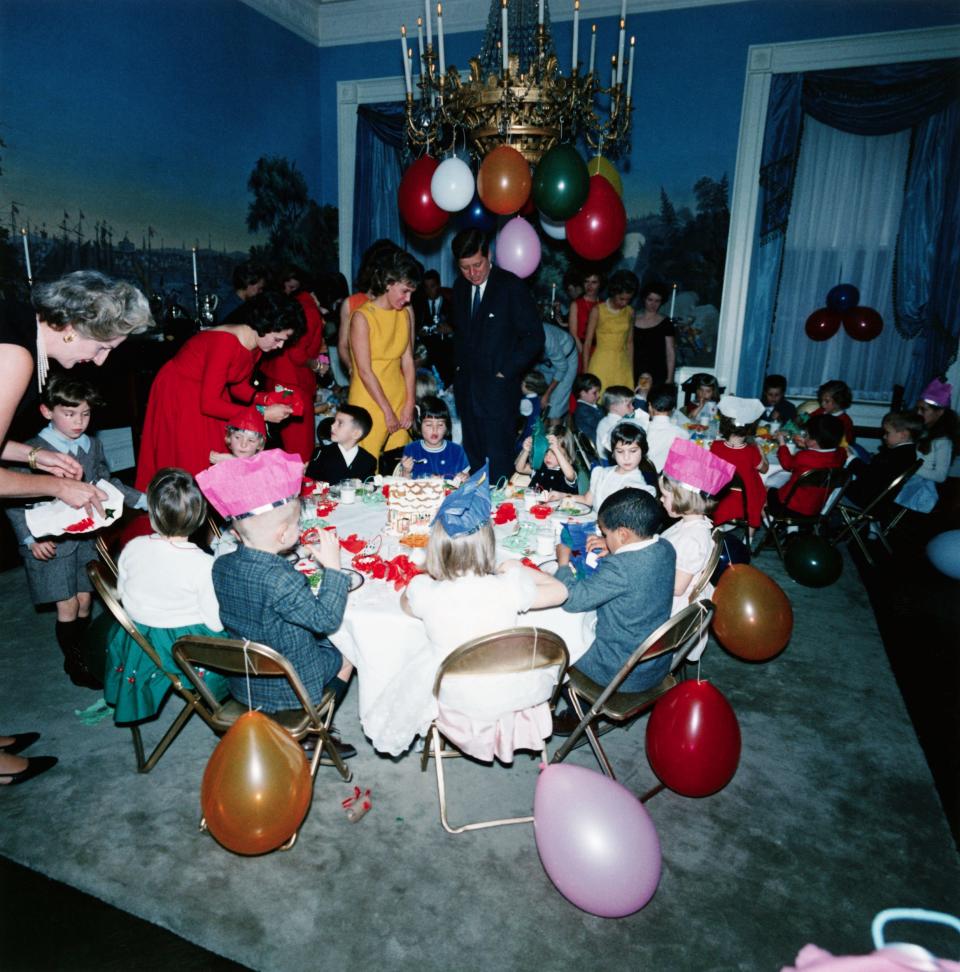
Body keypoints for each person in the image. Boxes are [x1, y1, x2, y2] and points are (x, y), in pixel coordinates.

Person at [0, 269, 153, 785]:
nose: (103, 359)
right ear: (70, 325)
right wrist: (55, 487)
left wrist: (34, 455)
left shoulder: (26, 339)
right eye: (104, 345)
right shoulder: (17, 354)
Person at [362, 466, 567, 756]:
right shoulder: (508, 587)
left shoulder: (425, 591)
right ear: (489, 547)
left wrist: (425, 574)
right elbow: (561, 591)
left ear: (436, 547)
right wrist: (516, 568)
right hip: (511, 687)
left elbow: (405, 606)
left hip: (457, 692)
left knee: (407, 657)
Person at [200, 450, 356, 758]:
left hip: (244, 679)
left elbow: (262, 595)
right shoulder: (281, 580)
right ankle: (314, 730)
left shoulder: (221, 566)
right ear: (283, 533)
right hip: (291, 685)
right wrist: (334, 569)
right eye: (298, 523)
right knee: (350, 649)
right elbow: (325, 619)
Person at [5, 375, 148, 688]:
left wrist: (144, 500)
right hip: (50, 541)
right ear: (47, 412)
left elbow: (106, 484)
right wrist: (29, 540)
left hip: (84, 537)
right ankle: (76, 665)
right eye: (69, 414)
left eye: (85, 414)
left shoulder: (91, 444)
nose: (79, 422)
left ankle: (87, 654)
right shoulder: (30, 451)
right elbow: (12, 499)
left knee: (85, 600)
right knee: (67, 605)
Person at [135, 291, 302, 489]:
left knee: (214, 453)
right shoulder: (225, 342)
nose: (280, 346)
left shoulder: (256, 344)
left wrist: (266, 399)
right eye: (278, 339)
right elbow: (209, 404)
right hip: (182, 390)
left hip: (208, 392)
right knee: (193, 456)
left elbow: (238, 385)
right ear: (265, 326)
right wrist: (262, 414)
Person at [102, 468, 230, 724]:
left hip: (138, 638)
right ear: (201, 517)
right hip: (182, 645)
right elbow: (215, 622)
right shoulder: (202, 564)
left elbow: (124, 592)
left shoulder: (133, 547)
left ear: (151, 515)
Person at [554, 488, 676, 710]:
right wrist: (613, 548)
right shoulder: (666, 548)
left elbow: (573, 600)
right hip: (654, 664)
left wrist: (563, 562)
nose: (604, 538)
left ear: (623, 535)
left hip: (618, 672)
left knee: (555, 640)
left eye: (605, 533)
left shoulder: (620, 568)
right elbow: (639, 566)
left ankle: (576, 714)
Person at [450, 229, 544, 482]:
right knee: (473, 462)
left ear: (489, 254)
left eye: (477, 265)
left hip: (498, 393)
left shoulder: (510, 286)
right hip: (467, 393)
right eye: (465, 267)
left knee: (498, 466)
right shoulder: (459, 289)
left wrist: (506, 371)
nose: (473, 273)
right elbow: (460, 339)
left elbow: (534, 337)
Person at [347, 248, 419, 460]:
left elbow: (408, 362)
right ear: (389, 283)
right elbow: (364, 371)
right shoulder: (361, 317)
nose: (407, 298)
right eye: (405, 291)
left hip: (398, 397)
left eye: (412, 293)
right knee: (365, 464)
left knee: (398, 464)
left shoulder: (405, 314)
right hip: (368, 398)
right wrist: (387, 411)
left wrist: (409, 404)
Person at [659, 439, 734, 634]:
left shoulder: (692, 539)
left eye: (665, 496)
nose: (661, 500)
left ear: (682, 499)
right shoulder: (691, 523)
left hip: (670, 612)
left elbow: (676, 588)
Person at [260, 266, 327, 462]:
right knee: (300, 448)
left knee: (281, 444)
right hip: (293, 382)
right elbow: (297, 355)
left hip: (276, 377)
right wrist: (317, 366)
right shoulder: (309, 310)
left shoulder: (294, 305)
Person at [549, 422, 655, 510]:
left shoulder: (639, 488)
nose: (626, 457)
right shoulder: (602, 473)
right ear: (613, 452)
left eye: (633, 451)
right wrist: (561, 495)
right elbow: (587, 500)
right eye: (620, 451)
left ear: (643, 452)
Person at [338, 239, 401, 381]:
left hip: (393, 380)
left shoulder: (401, 303)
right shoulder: (352, 303)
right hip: (362, 381)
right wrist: (351, 367)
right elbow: (343, 345)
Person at [896, 378, 958, 514]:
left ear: (939, 412)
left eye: (924, 410)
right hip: (909, 478)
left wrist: (911, 468)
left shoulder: (943, 441)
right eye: (917, 408)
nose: (918, 413)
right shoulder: (922, 432)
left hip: (921, 486)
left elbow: (941, 476)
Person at [767, 413, 845, 517]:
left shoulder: (804, 456)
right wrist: (807, 445)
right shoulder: (841, 454)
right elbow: (822, 457)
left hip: (789, 506)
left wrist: (781, 442)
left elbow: (787, 464)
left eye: (807, 435)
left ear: (814, 441)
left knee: (763, 488)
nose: (805, 436)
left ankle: (772, 526)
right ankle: (792, 528)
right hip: (815, 508)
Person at [710, 396, 768, 535]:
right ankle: (750, 537)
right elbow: (764, 469)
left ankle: (718, 529)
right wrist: (762, 452)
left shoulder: (716, 447)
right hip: (745, 502)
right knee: (760, 489)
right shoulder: (751, 451)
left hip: (720, 498)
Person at [844, 411, 921, 511]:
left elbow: (868, 475)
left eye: (887, 433)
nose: (884, 436)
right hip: (874, 500)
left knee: (829, 490)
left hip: (863, 500)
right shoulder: (907, 453)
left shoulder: (898, 455)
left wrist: (850, 458)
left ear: (903, 435)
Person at [583, 269, 636, 392]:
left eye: (628, 299)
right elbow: (587, 343)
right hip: (601, 362)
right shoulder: (598, 310)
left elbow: (629, 343)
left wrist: (631, 371)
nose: (624, 302)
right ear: (613, 293)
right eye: (621, 299)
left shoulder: (630, 312)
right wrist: (585, 373)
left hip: (622, 365)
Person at [399, 396, 469, 481]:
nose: (435, 430)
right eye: (429, 425)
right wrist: (406, 472)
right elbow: (403, 485)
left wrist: (464, 478)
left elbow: (467, 480)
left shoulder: (456, 451)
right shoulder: (411, 449)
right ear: (419, 425)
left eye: (440, 425)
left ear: (447, 426)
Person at [306, 404, 377, 484]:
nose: (332, 426)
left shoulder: (368, 460)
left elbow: (368, 489)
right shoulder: (321, 453)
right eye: (334, 421)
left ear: (356, 433)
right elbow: (309, 484)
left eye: (340, 423)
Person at [411, 268, 455, 386]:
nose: (429, 291)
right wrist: (418, 332)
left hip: (445, 350)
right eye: (426, 287)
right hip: (425, 351)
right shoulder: (417, 305)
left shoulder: (450, 304)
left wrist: (451, 330)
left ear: (439, 286)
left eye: (433, 286)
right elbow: (412, 328)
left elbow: (459, 327)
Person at [515, 421, 578, 495]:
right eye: (546, 451)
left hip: (560, 506)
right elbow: (520, 468)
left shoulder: (566, 472)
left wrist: (556, 449)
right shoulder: (540, 466)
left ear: (567, 457)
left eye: (554, 453)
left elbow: (570, 475)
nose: (548, 456)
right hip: (535, 504)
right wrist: (526, 450)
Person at [632, 280, 676, 388]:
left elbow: (670, 352)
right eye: (650, 299)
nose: (653, 304)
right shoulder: (632, 319)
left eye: (657, 301)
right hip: (634, 371)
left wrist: (670, 378)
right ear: (644, 299)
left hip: (657, 373)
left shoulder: (665, 323)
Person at [538, 318, 578, 420]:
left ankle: (555, 431)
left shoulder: (546, 337)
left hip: (566, 358)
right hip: (544, 361)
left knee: (555, 404)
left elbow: (562, 367)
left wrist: (547, 394)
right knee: (537, 396)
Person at [646, 384, 690, 472]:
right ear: (673, 409)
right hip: (668, 479)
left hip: (644, 477)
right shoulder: (682, 434)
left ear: (650, 406)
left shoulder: (643, 429)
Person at [567, 269, 602, 369]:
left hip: (599, 352)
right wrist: (584, 353)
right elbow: (573, 333)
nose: (589, 286)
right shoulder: (576, 304)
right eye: (586, 281)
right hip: (580, 350)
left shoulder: (603, 305)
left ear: (600, 284)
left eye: (594, 282)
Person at [595, 385, 639, 461]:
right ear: (614, 407)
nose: (632, 407)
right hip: (612, 464)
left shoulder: (606, 421)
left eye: (632, 404)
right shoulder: (614, 425)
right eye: (628, 405)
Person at [811, 379, 855, 445]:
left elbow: (846, 443)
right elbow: (808, 420)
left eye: (827, 401)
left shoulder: (845, 421)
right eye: (821, 400)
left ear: (839, 402)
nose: (822, 404)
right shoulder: (821, 411)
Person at [517, 370, 547, 448]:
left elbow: (521, 418)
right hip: (534, 430)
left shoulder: (526, 401)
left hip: (526, 433)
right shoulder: (537, 398)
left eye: (522, 384)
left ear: (528, 386)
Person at [572, 373, 602, 444]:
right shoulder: (582, 410)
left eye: (598, 392)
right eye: (594, 393)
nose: (598, 395)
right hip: (595, 443)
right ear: (583, 393)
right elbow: (599, 425)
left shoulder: (593, 405)